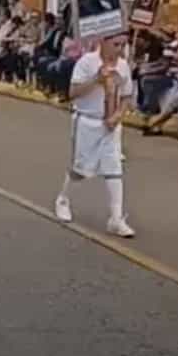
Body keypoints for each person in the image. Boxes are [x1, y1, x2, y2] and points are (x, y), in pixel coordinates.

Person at [54, 31, 135, 237]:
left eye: (122, 45)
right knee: (81, 169)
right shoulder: (86, 63)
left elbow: (126, 95)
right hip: (87, 121)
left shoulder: (123, 66)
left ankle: (116, 218)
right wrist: (96, 80)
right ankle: (63, 199)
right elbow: (72, 93)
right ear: (103, 42)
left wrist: (117, 116)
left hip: (110, 124)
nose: (119, 50)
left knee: (113, 168)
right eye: (115, 44)